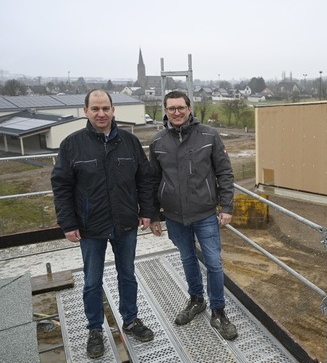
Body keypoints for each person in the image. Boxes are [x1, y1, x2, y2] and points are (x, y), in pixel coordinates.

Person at [51, 89, 155, 358]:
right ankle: (95, 329)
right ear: (85, 111)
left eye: (105, 108)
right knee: (92, 281)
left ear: (113, 110)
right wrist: (67, 222)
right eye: (95, 108)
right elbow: (61, 186)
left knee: (128, 275)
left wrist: (148, 211)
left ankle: (130, 320)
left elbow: (144, 179)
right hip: (90, 226)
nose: (101, 113)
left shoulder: (130, 143)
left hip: (125, 223)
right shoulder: (72, 145)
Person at [148, 91, 237, 340]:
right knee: (187, 259)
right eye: (171, 108)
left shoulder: (208, 135)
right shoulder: (158, 142)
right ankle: (197, 300)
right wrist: (154, 215)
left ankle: (218, 310)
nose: (176, 112)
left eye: (181, 107)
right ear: (165, 111)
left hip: (205, 212)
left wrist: (227, 207)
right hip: (175, 216)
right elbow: (152, 180)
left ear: (189, 108)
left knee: (214, 263)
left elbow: (225, 173)